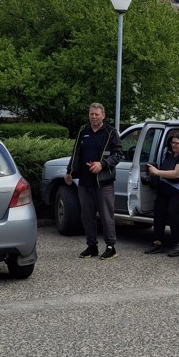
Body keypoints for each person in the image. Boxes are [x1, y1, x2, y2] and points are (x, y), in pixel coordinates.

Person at [65, 103, 124, 260]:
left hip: (103, 182)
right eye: (91, 114)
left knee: (106, 216)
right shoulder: (83, 130)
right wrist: (69, 171)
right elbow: (76, 152)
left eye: (97, 114)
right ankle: (92, 246)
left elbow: (118, 154)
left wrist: (102, 164)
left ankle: (111, 247)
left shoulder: (111, 132)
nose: (94, 117)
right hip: (85, 182)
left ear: (103, 115)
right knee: (86, 216)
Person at [145, 130, 179, 257]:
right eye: (172, 143)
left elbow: (177, 174)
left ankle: (177, 245)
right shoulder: (172, 153)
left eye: (177, 143)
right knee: (159, 212)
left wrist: (157, 172)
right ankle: (157, 243)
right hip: (166, 187)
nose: (174, 145)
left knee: (173, 213)